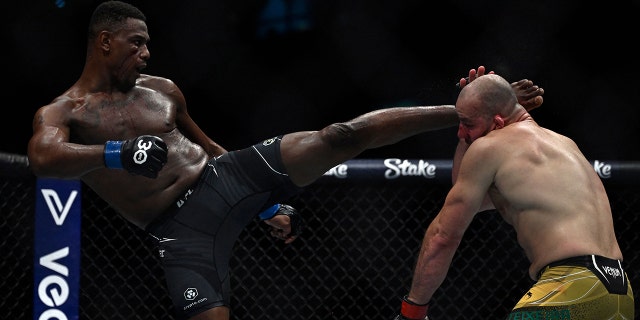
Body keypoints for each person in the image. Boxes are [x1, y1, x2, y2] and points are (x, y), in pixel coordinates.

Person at [26, 1, 544, 319]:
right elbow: (44, 157)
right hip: (177, 229)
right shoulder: (65, 110)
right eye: (136, 44)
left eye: (148, 44)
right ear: (105, 41)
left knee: (341, 134)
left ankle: (460, 107)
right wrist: (117, 154)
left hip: (225, 179)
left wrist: (259, 206)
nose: (146, 54)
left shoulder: (161, 90)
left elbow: (209, 148)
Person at [394, 74, 634, 320]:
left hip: (570, 286)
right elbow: (467, 191)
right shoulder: (565, 144)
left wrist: (413, 310)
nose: (459, 133)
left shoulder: (491, 147)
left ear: (498, 122)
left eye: (467, 123)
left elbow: (443, 236)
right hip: (619, 290)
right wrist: (472, 110)